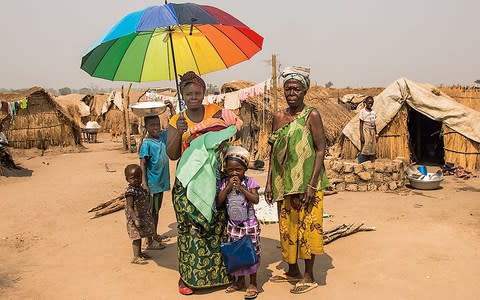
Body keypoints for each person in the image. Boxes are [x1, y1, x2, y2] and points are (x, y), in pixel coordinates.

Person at [167, 71, 243, 295]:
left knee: (217, 227)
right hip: (187, 182)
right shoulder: (176, 120)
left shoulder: (215, 112)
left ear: (204, 93)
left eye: (197, 93)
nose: (193, 97)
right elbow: (172, 155)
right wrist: (179, 134)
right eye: (188, 93)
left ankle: (220, 275)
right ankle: (187, 277)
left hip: (216, 178)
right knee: (190, 230)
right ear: (182, 95)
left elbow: (237, 128)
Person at [265, 66, 329, 294]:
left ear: (305, 91)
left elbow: (321, 149)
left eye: (296, 89)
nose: (291, 92)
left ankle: (309, 275)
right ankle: (292, 270)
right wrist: (268, 183)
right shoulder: (279, 117)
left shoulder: (312, 115)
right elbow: (272, 152)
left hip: (307, 184)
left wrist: (312, 184)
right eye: (288, 88)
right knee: (287, 227)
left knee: (307, 228)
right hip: (284, 183)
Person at [216, 146, 260, 300]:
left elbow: (255, 199)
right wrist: (228, 187)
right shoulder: (224, 183)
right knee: (237, 254)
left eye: (238, 170)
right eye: (230, 170)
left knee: (251, 253)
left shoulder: (250, 182)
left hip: (250, 225)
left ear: (245, 169)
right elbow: (219, 202)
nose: (234, 173)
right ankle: (240, 281)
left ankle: (253, 283)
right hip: (233, 226)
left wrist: (241, 189)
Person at [139, 101, 175, 250]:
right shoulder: (146, 143)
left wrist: (172, 109)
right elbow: (143, 164)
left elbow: (174, 127)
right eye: (152, 125)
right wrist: (145, 184)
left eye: (157, 124)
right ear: (146, 127)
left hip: (160, 183)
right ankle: (149, 241)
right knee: (150, 212)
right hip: (152, 184)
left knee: (156, 211)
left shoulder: (162, 137)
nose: (156, 128)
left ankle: (154, 234)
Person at [123, 164, 155, 264]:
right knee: (136, 237)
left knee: (141, 235)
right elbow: (130, 207)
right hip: (135, 218)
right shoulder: (130, 192)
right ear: (127, 179)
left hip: (142, 216)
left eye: (139, 177)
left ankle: (140, 253)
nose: (136, 180)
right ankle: (136, 257)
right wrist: (135, 219)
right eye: (133, 178)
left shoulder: (139, 188)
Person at [358, 96, 377, 163]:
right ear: (365, 103)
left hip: (372, 130)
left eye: (372, 103)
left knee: (372, 146)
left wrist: (376, 132)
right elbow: (361, 124)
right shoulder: (362, 111)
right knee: (366, 145)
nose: (370, 104)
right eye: (369, 103)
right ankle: (361, 161)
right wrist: (361, 135)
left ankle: (371, 161)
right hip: (366, 129)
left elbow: (374, 123)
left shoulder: (373, 112)